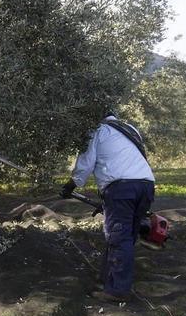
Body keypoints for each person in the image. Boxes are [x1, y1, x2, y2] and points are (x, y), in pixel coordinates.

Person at [61, 113, 154, 302]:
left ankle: (118, 291)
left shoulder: (97, 131)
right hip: (146, 185)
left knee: (119, 238)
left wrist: (70, 185)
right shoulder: (130, 129)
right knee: (125, 236)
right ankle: (107, 279)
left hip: (122, 189)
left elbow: (85, 165)